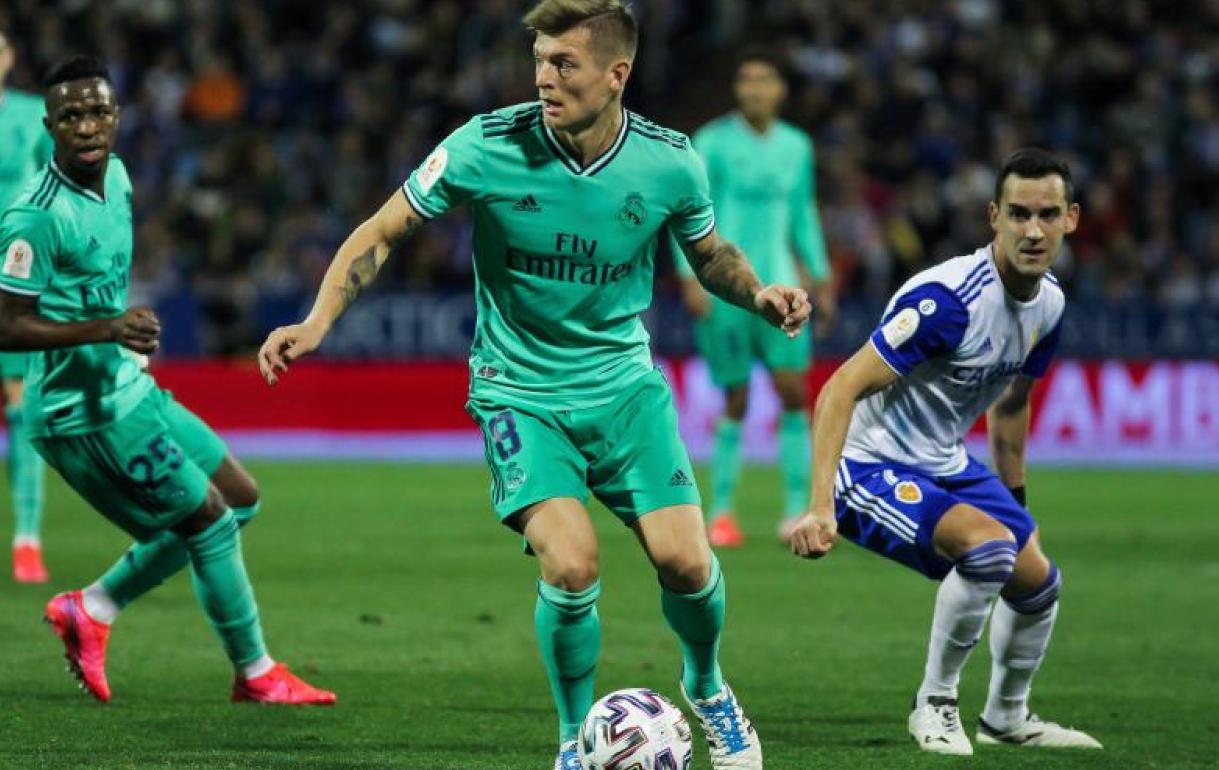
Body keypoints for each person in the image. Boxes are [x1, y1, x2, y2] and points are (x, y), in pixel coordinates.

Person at [259, 2, 811, 767]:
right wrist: (318, 321)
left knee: (687, 563)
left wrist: (759, 293)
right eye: (541, 60)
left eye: (564, 64)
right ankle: (572, 742)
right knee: (573, 561)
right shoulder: (483, 145)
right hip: (518, 391)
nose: (544, 78)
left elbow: (709, 252)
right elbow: (383, 230)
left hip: (623, 389)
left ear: (617, 75)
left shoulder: (671, 161)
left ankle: (709, 690)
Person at [0, 55, 335, 706]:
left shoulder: (119, 177)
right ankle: (257, 674)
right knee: (207, 522)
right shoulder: (33, 217)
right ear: (50, 127)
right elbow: (6, 326)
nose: (88, 125)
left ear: (117, 117)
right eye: (71, 116)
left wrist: (117, 337)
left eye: (98, 111)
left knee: (239, 499)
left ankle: (92, 607)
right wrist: (106, 329)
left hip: (128, 389)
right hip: (80, 411)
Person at [789, 148, 1102, 755]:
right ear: (993, 216)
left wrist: (1019, 511)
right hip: (868, 461)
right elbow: (837, 390)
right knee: (987, 552)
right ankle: (934, 705)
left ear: (1072, 219)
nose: (1032, 230)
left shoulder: (1051, 304)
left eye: (1047, 214)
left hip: (944, 459)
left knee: (1038, 583)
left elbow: (1011, 408)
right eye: (1018, 214)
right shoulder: (948, 303)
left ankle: (1006, 717)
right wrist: (820, 504)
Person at [675, 47, 835, 548]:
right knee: (736, 399)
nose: (754, 90)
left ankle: (796, 510)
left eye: (764, 80)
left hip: (785, 284)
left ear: (780, 90)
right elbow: (686, 211)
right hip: (727, 290)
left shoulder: (797, 147)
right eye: (746, 80)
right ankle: (720, 512)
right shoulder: (712, 143)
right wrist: (688, 276)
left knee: (793, 393)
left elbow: (803, 214)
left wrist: (822, 274)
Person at [0, 28, 52, 582]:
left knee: (20, 408)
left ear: (10, 58)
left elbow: (54, 192)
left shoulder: (32, 116)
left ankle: (27, 538)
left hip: (11, 282)